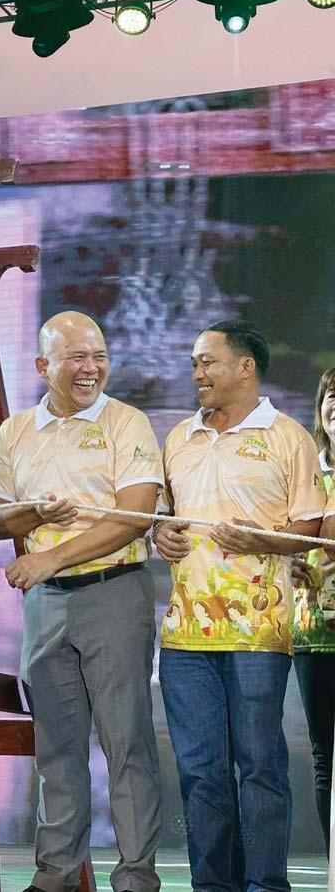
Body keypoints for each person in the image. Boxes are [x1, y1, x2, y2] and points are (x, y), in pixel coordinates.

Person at [0, 311, 163, 892]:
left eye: (99, 356)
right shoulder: (15, 431)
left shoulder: (126, 422)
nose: (91, 369)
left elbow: (136, 516)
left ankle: (136, 876)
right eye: (77, 358)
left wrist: (50, 557)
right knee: (55, 746)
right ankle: (55, 875)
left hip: (114, 593)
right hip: (45, 607)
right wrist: (35, 513)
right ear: (43, 366)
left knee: (126, 740)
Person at [154, 320, 325, 892]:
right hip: (184, 636)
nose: (197, 372)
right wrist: (162, 537)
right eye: (195, 362)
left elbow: (310, 532)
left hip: (258, 630)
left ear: (245, 367)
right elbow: (164, 517)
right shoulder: (178, 437)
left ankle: (267, 885)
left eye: (208, 361)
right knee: (200, 772)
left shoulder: (288, 437)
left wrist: (262, 541)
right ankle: (213, 886)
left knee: (259, 766)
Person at [293, 366, 335, 851]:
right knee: (325, 754)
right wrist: (287, 562)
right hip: (313, 630)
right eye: (330, 394)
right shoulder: (304, 468)